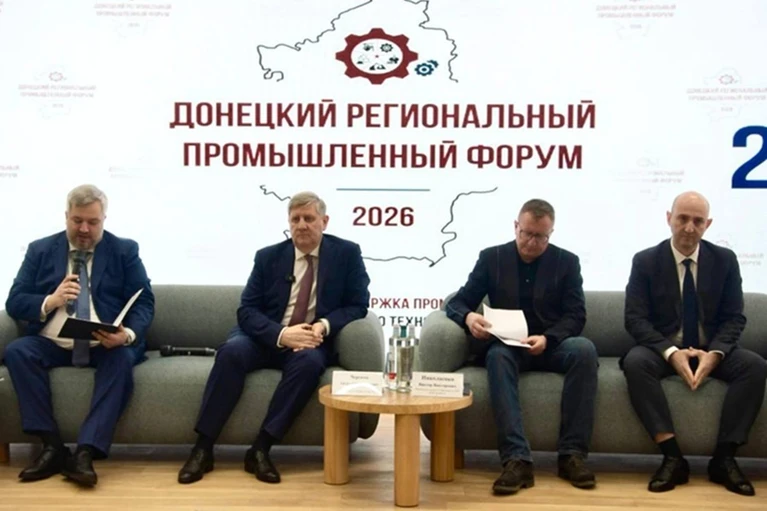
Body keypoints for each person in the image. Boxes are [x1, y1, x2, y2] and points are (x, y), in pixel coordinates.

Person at [178, 191, 371, 485]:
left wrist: (323, 325)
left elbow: (358, 304)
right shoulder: (268, 257)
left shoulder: (347, 254)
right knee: (230, 352)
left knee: (309, 365)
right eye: (295, 219)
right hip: (264, 336)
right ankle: (203, 448)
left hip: (310, 339)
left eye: (309, 218)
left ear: (324, 221)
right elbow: (246, 310)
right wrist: (281, 334)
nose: (302, 225)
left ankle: (261, 449)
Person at [3, 184, 155, 487]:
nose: (84, 229)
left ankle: (85, 452)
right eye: (77, 221)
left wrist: (126, 334)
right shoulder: (40, 250)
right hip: (53, 341)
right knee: (17, 351)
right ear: (66, 217)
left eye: (92, 222)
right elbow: (15, 301)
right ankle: (51, 446)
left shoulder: (124, 250)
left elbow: (144, 301)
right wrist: (51, 300)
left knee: (121, 359)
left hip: (104, 343)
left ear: (103, 220)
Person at [445, 198, 598, 495]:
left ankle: (572, 455)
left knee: (585, 351)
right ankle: (517, 459)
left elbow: (576, 315)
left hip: (550, 344)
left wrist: (548, 338)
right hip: (508, 345)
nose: (531, 242)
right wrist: (469, 317)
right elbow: (457, 301)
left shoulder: (567, 262)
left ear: (551, 234)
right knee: (497, 357)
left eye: (540, 236)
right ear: (516, 227)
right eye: (526, 233)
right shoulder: (492, 258)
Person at [622, 190, 767, 496]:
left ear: (708, 224)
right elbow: (635, 319)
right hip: (663, 349)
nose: (689, 227)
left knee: (754, 366)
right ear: (669, 219)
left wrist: (715, 353)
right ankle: (672, 457)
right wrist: (670, 352)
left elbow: (734, 317)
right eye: (683, 218)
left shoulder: (725, 260)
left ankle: (724, 458)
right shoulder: (646, 261)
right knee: (635, 362)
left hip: (711, 347)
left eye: (698, 221)